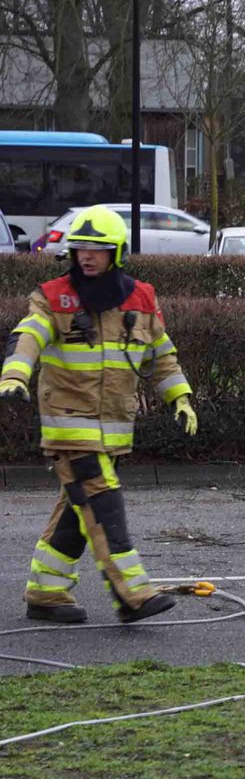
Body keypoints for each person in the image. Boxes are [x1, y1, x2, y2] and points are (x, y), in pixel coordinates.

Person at [0, 205, 199, 623]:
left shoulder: (141, 297)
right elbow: (29, 335)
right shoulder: (53, 297)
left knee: (77, 511)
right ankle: (133, 594)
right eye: (80, 249)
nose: (86, 256)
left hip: (113, 430)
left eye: (97, 249)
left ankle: (45, 591)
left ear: (117, 252)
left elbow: (161, 355)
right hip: (69, 426)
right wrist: (14, 375)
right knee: (103, 503)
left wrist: (179, 397)